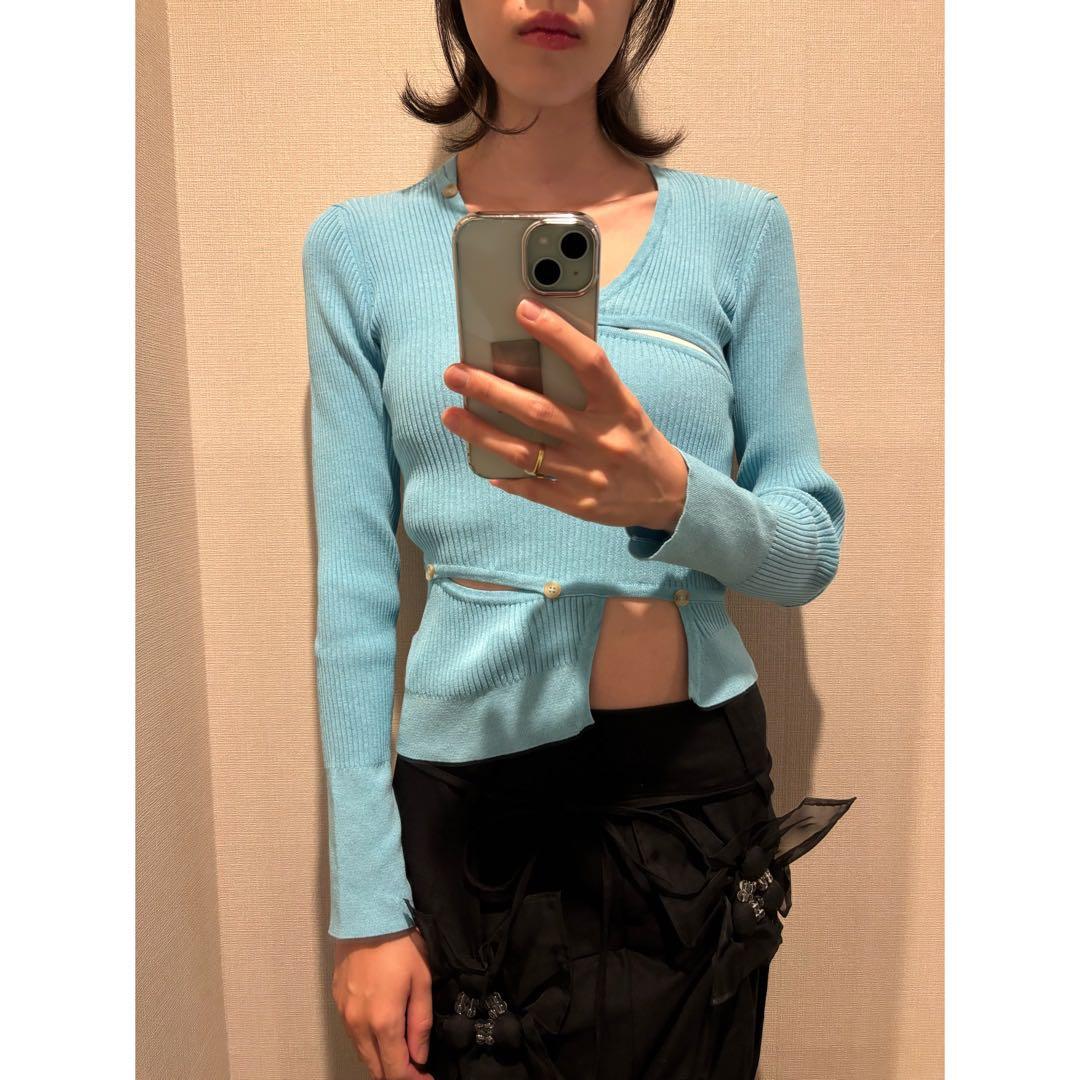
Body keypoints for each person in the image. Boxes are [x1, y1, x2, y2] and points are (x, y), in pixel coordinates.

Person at [302, 3, 856, 1078]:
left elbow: (807, 552)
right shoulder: (359, 250)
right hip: (470, 812)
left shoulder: (738, 230)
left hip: (689, 801)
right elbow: (356, 596)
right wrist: (366, 909)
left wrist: (672, 495)